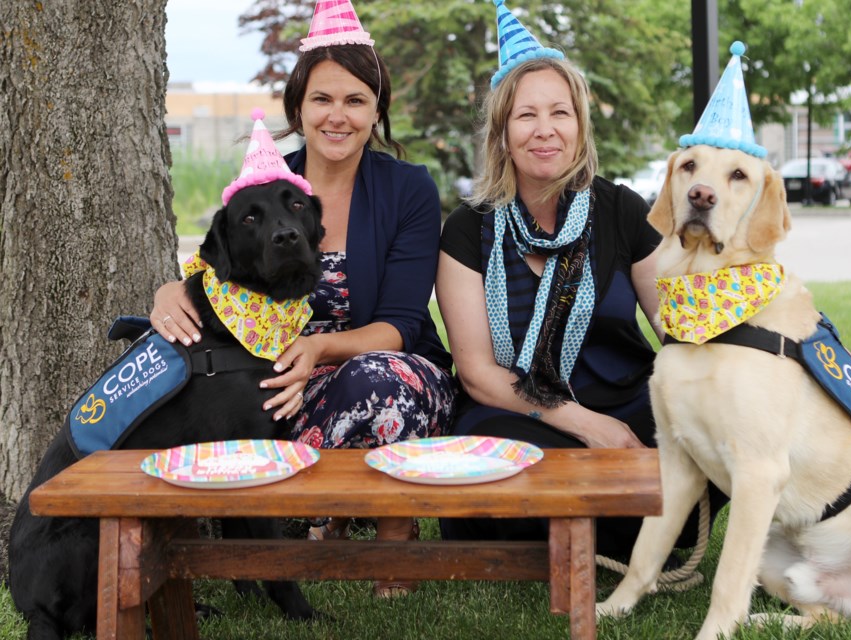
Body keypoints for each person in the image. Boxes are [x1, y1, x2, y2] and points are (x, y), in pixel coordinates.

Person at [150, 0, 456, 596]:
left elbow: (400, 322)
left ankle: (392, 532)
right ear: (298, 108)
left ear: (375, 111)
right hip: (284, 382)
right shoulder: (268, 189)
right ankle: (312, 516)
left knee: (377, 379)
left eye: (354, 100)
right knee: (243, 408)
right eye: (322, 99)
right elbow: (219, 273)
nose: (337, 116)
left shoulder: (408, 189)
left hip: (394, 369)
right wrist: (169, 290)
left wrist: (318, 349)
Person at [436, 0, 719, 561]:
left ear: (580, 125)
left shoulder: (619, 209)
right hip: (520, 414)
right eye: (526, 115)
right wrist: (588, 427)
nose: (545, 131)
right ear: (502, 132)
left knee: (712, 419)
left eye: (560, 113)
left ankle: (583, 527)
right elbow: (477, 373)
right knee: (503, 455)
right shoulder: (470, 229)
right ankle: (615, 521)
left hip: (628, 406)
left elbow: (676, 328)